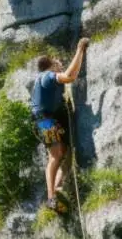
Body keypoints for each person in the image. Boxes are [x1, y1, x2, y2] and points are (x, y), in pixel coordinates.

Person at [29, 38, 89, 213]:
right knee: (56, 156)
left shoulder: (43, 80)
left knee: (65, 153)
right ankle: (51, 197)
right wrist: (80, 50)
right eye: (58, 63)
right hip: (45, 119)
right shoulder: (47, 76)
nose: (60, 65)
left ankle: (57, 189)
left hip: (47, 119)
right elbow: (70, 76)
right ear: (50, 65)